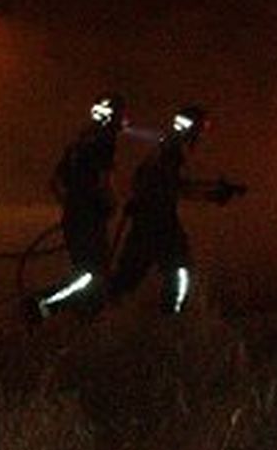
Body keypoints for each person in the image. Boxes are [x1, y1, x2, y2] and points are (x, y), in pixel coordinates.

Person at [107, 104, 243, 315]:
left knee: (128, 277)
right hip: (159, 221)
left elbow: (152, 179)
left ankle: (98, 311)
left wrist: (211, 189)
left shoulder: (164, 147)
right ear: (195, 129)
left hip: (148, 220)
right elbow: (174, 186)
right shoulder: (172, 150)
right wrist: (211, 194)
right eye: (202, 129)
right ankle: (173, 317)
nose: (202, 136)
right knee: (180, 271)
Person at [27, 94, 129, 321]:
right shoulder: (105, 142)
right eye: (122, 114)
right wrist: (111, 203)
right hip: (89, 219)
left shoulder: (78, 144)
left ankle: (86, 314)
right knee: (92, 273)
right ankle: (43, 304)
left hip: (75, 217)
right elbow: (104, 180)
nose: (126, 120)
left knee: (90, 272)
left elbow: (54, 182)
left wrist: (72, 207)